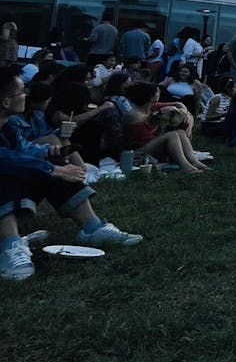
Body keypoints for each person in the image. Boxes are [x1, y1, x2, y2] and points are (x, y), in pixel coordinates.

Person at [1, 68, 142, 280]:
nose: (26, 95)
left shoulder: (9, 126)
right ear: (5, 102)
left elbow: (22, 149)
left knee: (48, 161)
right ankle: (9, 244)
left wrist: (48, 153)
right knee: (9, 173)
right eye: (22, 91)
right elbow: (5, 159)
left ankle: (92, 228)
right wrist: (55, 169)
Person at [121, 82, 210, 174]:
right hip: (137, 153)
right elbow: (145, 141)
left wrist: (183, 113)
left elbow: (178, 104)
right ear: (151, 97)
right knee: (172, 135)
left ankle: (195, 162)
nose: (159, 93)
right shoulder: (134, 115)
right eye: (157, 92)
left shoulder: (151, 107)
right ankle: (186, 167)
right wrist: (162, 128)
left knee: (180, 132)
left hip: (150, 147)